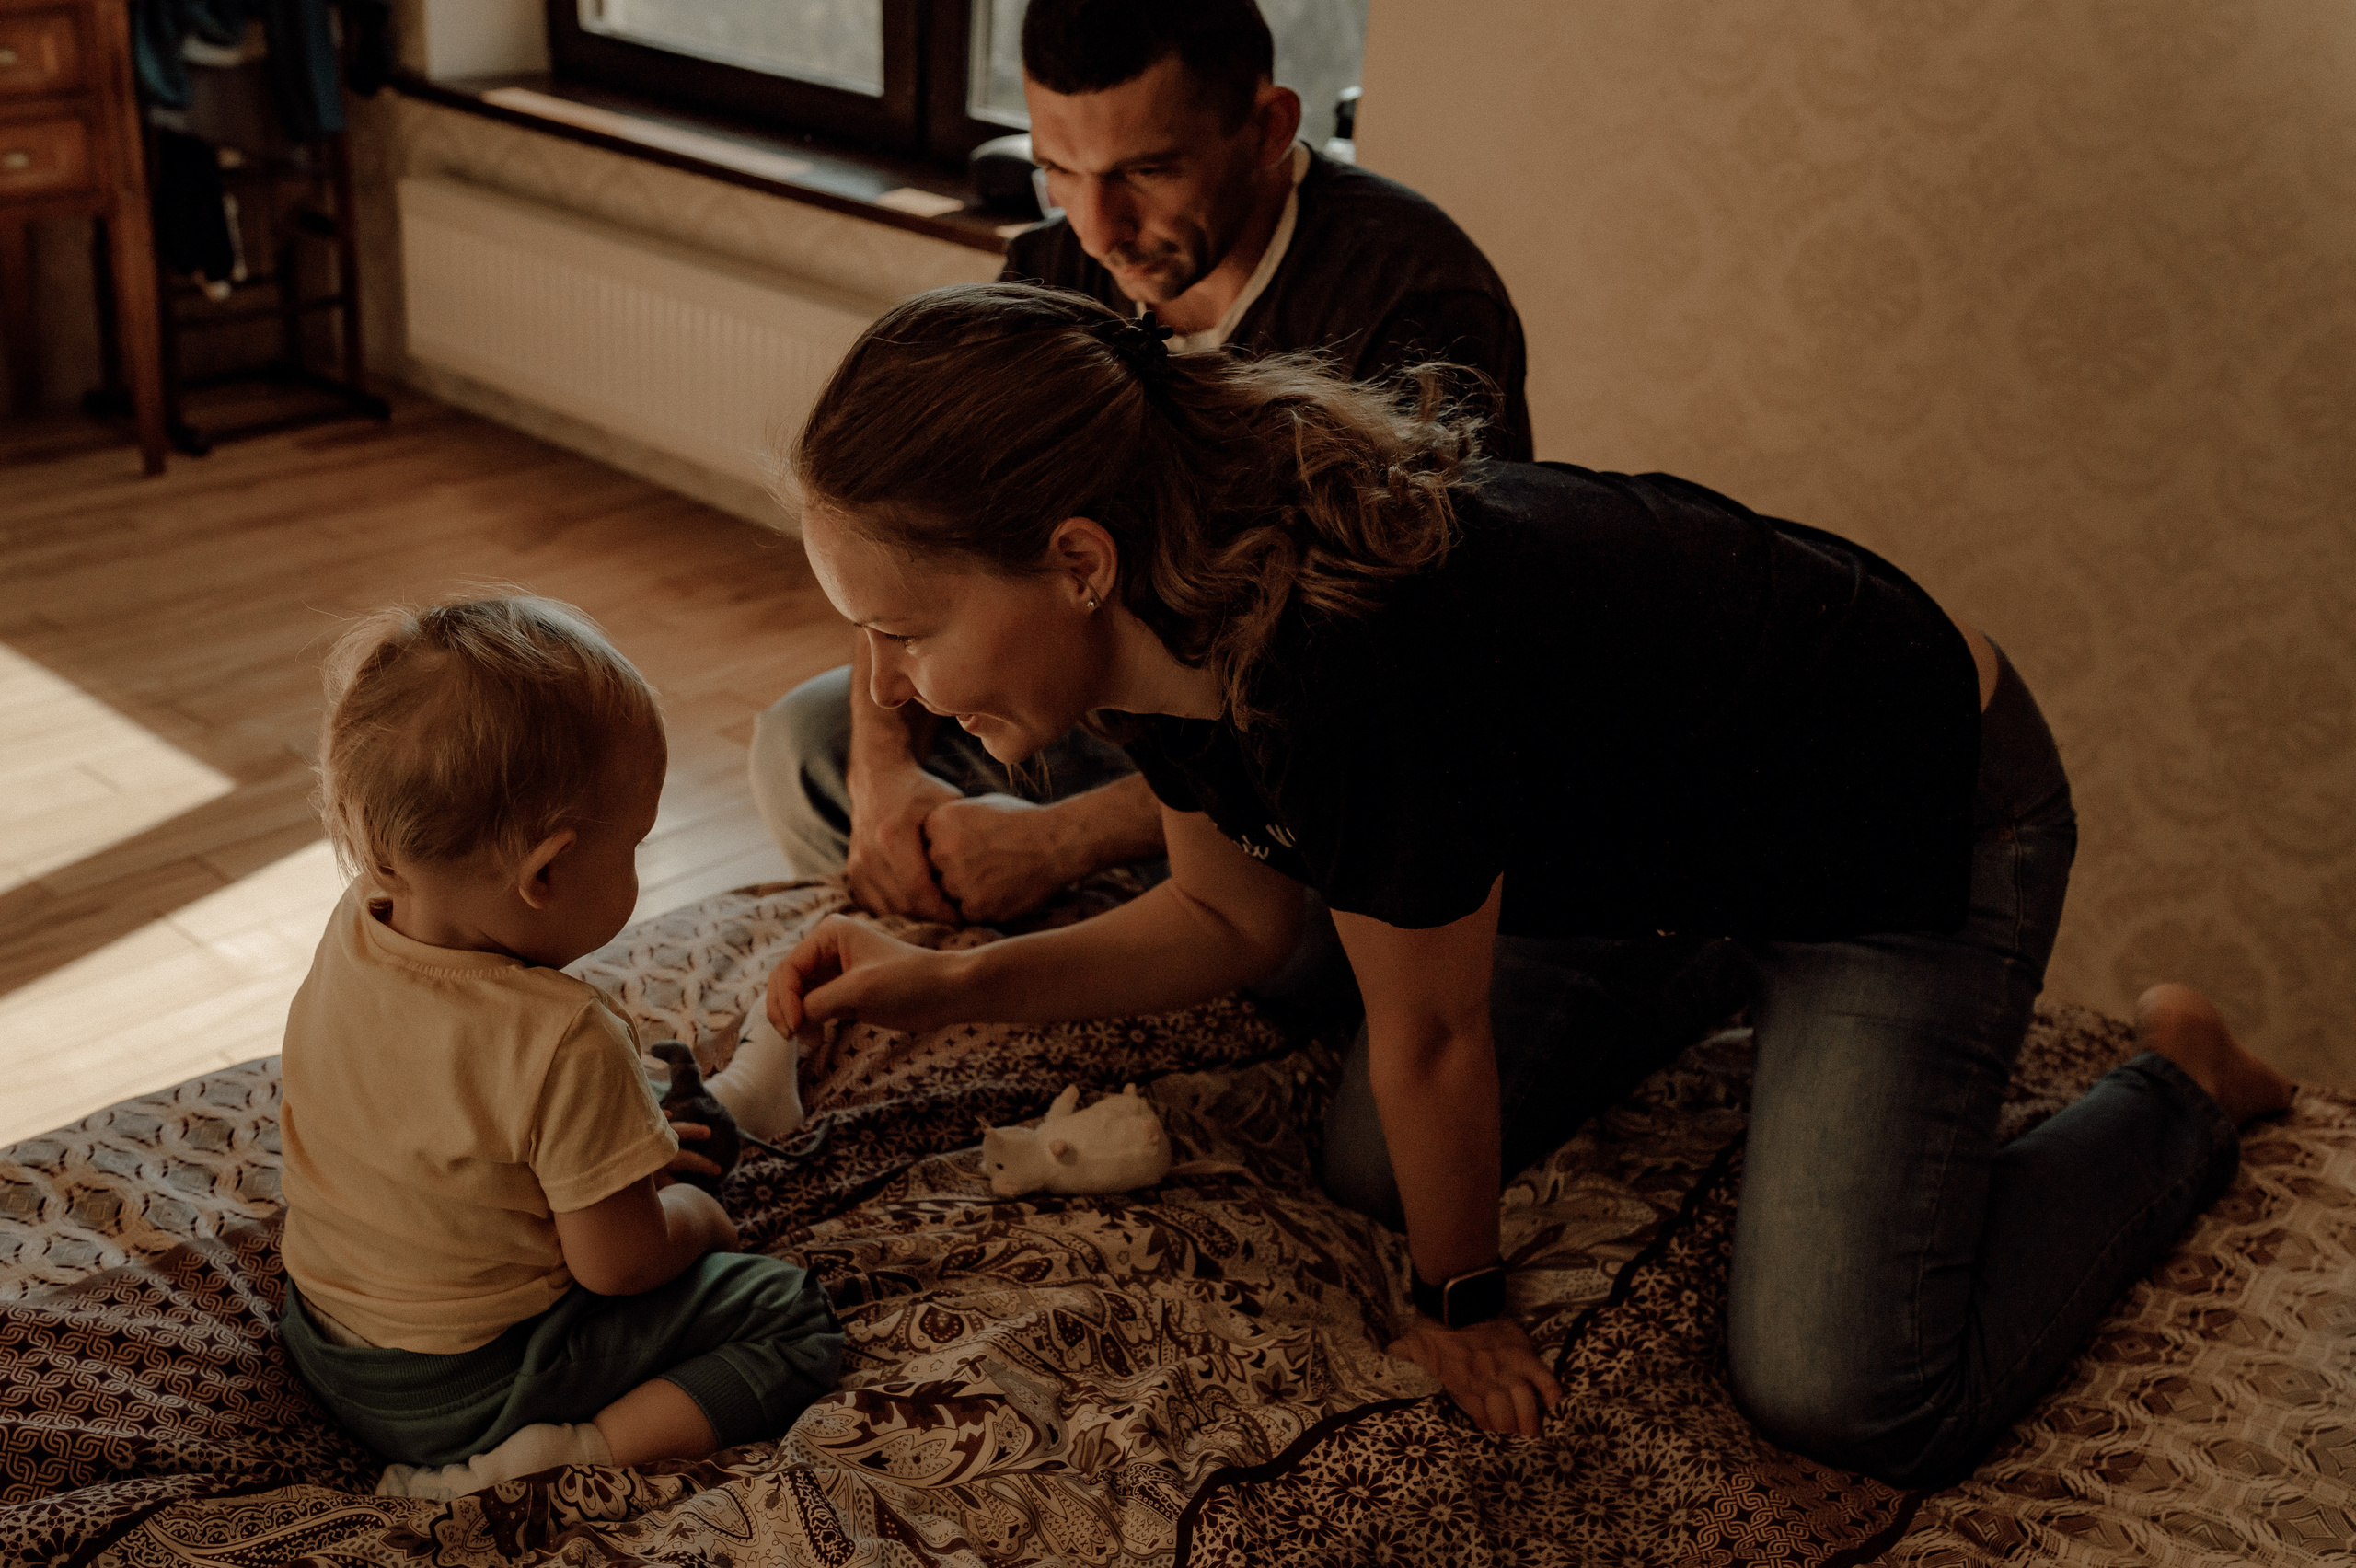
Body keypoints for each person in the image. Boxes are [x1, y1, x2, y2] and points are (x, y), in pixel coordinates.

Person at [759, 282, 2295, 1484]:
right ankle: (1724, 966)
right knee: (1376, 1164)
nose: (885, 684)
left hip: (1902, 809)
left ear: (1077, 561)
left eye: (904, 631)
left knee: (1850, 1392)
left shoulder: (1349, 663)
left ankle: (2187, 1084)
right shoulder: (1164, 612)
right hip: (1667, 825)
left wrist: (1463, 1305)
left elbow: (1435, 1037)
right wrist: (947, 986)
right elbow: (1234, 918)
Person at [751, 0, 1530, 931]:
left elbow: (1400, 714)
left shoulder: (1413, 300)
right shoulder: (1054, 265)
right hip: (1099, 689)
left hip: (1316, 744)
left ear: (1268, 129)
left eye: (1146, 172)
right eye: (1058, 170)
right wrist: (884, 785)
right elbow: (916, 536)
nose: (1097, 229)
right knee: (811, 745)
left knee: (1322, 932)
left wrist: (1062, 841)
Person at [277, 595, 841, 1500]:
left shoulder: (359, 926)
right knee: (790, 1318)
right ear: (546, 872)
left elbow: (456, 1123)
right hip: (471, 1386)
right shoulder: (564, 1038)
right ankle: (560, 1454)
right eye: (636, 843)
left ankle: (709, 1123)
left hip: (328, 1342)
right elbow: (619, 1267)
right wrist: (699, 1215)